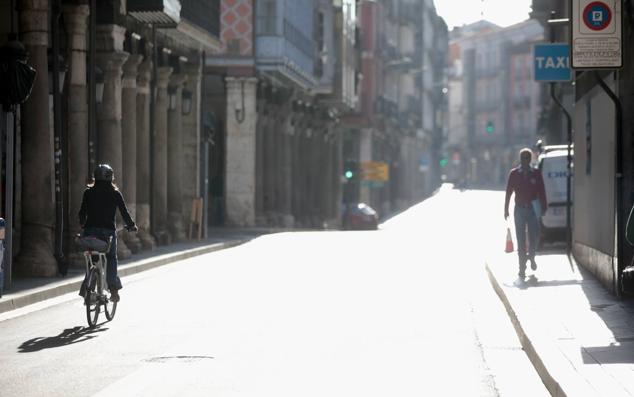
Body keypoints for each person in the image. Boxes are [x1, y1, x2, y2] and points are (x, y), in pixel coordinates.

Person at [79, 164, 137, 301]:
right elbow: (124, 212)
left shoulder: (88, 192)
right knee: (111, 258)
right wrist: (132, 225)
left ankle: (88, 287)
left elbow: (82, 213)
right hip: (107, 233)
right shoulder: (115, 193)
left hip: (90, 232)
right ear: (111, 178)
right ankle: (113, 288)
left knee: (91, 260)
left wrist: (82, 224)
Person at [504, 148, 547, 278]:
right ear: (520, 159)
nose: (525, 161)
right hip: (519, 210)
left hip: (533, 209)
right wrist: (505, 209)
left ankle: (532, 256)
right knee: (520, 238)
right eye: (523, 158)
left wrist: (544, 207)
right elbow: (508, 192)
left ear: (530, 159)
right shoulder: (514, 174)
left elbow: (542, 191)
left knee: (535, 235)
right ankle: (522, 267)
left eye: (527, 158)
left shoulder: (536, 174)